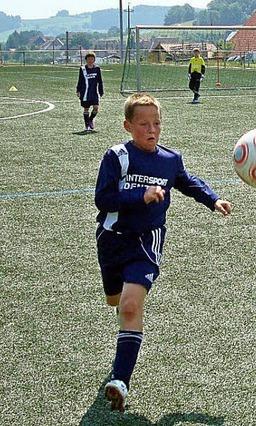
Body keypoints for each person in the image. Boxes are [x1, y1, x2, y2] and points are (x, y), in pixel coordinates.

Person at [95, 93, 232, 411]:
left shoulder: (169, 160)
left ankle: (121, 380)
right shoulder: (117, 157)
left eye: (156, 123)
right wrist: (140, 196)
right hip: (111, 240)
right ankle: (126, 329)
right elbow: (103, 199)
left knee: (130, 306)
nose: (152, 129)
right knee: (116, 302)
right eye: (143, 124)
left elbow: (187, 182)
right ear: (128, 126)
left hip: (146, 241)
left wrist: (213, 199)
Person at [76, 51, 104, 131]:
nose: (90, 60)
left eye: (92, 59)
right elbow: (80, 80)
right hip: (85, 92)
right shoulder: (83, 69)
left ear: (94, 60)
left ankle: (90, 119)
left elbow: (100, 81)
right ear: (86, 60)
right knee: (86, 109)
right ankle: (87, 125)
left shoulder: (97, 69)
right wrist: (78, 90)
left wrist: (101, 91)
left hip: (94, 92)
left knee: (96, 107)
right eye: (89, 59)